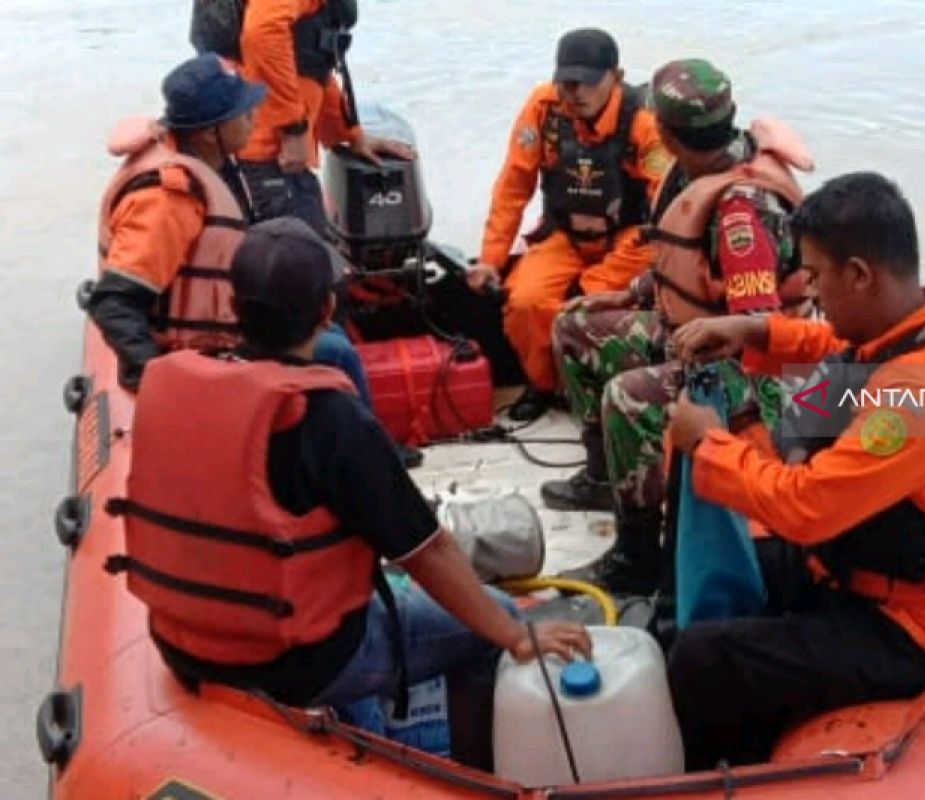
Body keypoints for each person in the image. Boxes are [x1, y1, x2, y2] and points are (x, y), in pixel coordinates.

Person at [105, 218, 592, 743]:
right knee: (489, 621)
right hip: (298, 664)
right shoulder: (329, 418)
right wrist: (516, 635)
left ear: (234, 306)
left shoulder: (177, 382)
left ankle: (363, 730)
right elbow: (426, 551)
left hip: (183, 646)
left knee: (359, 602)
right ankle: (460, 769)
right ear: (327, 312)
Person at [664, 172, 925, 769]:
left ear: (861, 275)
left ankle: (722, 777)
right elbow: (840, 353)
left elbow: (807, 509)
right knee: (720, 572)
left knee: (703, 659)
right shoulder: (919, 334)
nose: (811, 292)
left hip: (918, 629)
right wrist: (754, 330)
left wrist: (707, 444)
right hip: (866, 575)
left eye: (815, 278)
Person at [543, 59, 815, 594]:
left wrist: (703, 377)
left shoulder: (743, 213)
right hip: (688, 327)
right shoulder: (696, 173)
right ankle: (606, 477)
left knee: (630, 398)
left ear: (665, 132)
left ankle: (639, 554)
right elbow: (685, 260)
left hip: (747, 368)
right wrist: (637, 292)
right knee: (574, 324)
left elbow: (755, 329)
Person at [87, 55, 373, 401]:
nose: (256, 117)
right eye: (243, 112)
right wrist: (156, 380)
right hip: (195, 354)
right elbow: (114, 302)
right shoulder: (168, 198)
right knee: (336, 350)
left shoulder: (211, 164)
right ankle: (366, 445)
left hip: (228, 329)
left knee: (327, 331)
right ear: (210, 132)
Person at [466, 28, 671, 421]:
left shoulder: (645, 122)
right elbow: (513, 187)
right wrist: (491, 259)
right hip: (563, 233)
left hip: (629, 239)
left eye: (588, 82)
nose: (576, 92)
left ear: (617, 76)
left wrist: (592, 282)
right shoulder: (543, 109)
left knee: (581, 302)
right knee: (525, 302)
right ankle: (544, 386)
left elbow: (665, 211)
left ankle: (587, 386)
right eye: (568, 81)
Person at [236, 0, 413, 233]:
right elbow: (262, 33)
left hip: (264, 154)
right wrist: (292, 127)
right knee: (307, 261)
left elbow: (312, 64)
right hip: (268, 158)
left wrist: (350, 135)